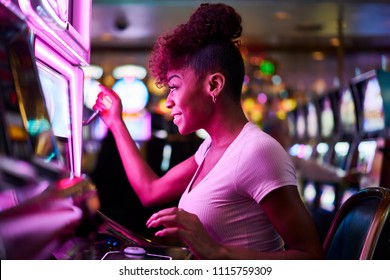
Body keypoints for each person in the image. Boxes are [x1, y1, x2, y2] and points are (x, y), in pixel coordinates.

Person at [93, 3, 324, 259]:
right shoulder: (209, 149)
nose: (168, 101)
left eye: (174, 87)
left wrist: (217, 251)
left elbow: (310, 256)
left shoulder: (257, 150)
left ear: (214, 84)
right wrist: (115, 121)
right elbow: (151, 191)